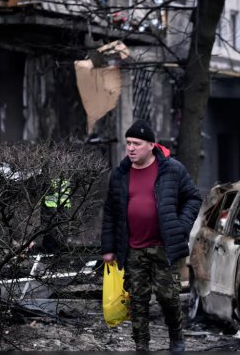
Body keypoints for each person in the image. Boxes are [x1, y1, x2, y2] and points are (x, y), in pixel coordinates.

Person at [101, 119, 202, 352]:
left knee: (168, 297)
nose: (130, 148)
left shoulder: (172, 169)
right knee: (138, 301)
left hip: (163, 247)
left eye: (136, 143)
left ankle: (176, 336)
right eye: (128, 143)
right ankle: (142, 346)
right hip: (133, 248)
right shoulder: (120, 174)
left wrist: (181, 226)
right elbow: (110, 212)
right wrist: (108, 248)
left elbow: (193, 198)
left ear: (151, 145)